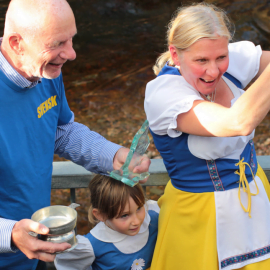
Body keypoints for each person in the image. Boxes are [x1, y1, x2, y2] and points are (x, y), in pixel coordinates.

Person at [0, 0, 150, 269]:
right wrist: (9, 235)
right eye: (57, 43)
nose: (71, 54)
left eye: (71, 40)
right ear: (16, 44)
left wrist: (111, 155)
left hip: (32, 253)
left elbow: (59, 130)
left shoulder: (45, 70)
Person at [144, 2, 270, 270]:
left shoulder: (229, 59)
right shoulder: (164, 94)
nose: (213, 71)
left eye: (220, 58)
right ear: (175, 55)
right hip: (199, 218)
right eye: (201, 60)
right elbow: (238, 122)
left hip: (255, 200)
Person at [54, 174, 159, 270]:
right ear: (101, 215)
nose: (136, 221)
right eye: (124, 215)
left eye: (139, 208)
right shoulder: (93, 245)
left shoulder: (155, 216)